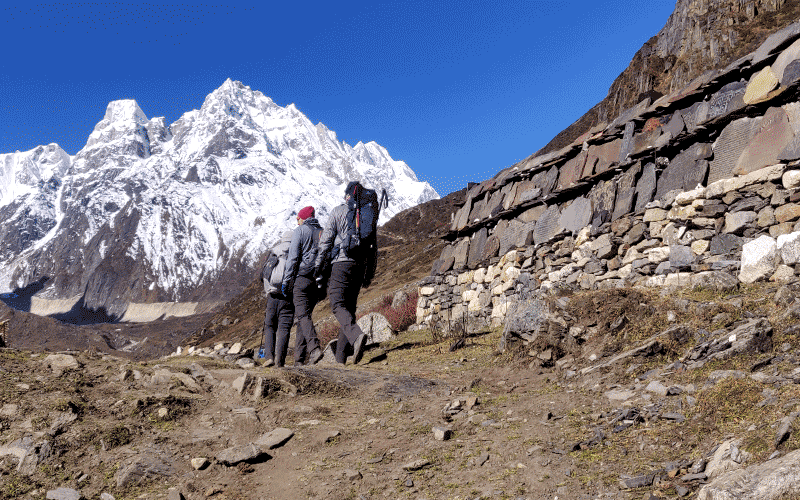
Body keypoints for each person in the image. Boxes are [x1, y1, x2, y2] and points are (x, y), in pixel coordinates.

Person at [315, 182, 376, 365]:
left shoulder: (338, 211)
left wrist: (318, 266)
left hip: (341, 263)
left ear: (347, 196)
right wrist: (369, 273)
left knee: (337, 303)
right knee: (349, 309)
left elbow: (325, 241)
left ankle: (356, 336)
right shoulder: (367, 214)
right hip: (360, 266)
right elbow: (373, 247)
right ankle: (341, 359)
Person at [282, 206, 324, 365]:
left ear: (304, 218)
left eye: (298, 218)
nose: (296, 221)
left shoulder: (300, 231)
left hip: (302, 279)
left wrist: (286, 282)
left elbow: (292, 258)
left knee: (302, 316)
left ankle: (314, 349)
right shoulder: (322, 231)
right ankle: (299, 360)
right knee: (303, 317)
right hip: (317, 281)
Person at [261, 231, 294, 367]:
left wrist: (268, 290)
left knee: (269, 326)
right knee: (284, 329)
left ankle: (269, 356)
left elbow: (264, 273)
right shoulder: (296, 252)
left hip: (272, 296)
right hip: (288, 298)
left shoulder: (274, 251)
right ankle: (280, 362)